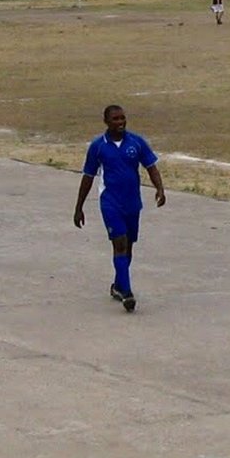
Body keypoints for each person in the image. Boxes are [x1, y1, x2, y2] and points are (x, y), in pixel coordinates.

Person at [73, 104, 166, 312]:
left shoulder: (136, 142)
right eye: (115, 119)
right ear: (106, 122)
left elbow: (151, 167)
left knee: (128, 246)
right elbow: (88, 177)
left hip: (133, 203)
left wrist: (160, 188)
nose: (120, 122)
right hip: (110, 203)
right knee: (120, 244)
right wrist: (79, 207)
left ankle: (118, 285)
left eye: (122, 118)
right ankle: (127, 293)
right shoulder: (98, 146)